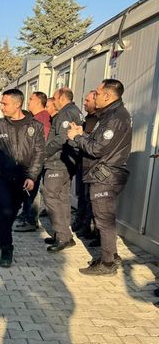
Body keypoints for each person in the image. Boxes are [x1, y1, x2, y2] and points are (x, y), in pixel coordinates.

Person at [67, 79, 132, 275]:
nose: (94, 96)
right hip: (102, 174)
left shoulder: (115, 118)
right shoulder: (109, 115)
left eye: (97, 92)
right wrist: (82, 134)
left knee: (104, 221)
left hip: (105, 176)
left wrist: (77, 137)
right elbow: (96, 141)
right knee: (104, 219)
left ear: (108, 96)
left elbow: (97, 148)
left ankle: (108, 264)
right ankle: (110, 256)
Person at [0, 89, 45, 268]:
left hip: (24, 178)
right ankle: (7, 248)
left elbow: (39, 154)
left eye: (5, 103)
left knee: (13, 210)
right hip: (2, 177)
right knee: (5, 210)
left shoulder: (35, 126)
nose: (1, 106)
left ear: (17, 104)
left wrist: (32, 176)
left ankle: (3, 231)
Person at [43, 87, 83, 252]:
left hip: (58, 162)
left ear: (61, 98)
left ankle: (63, 236)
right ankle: (64, 234)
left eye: (54, 98)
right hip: (66, 162)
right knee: (62, 198)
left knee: (50, 196)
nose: (53, 101)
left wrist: (44, 153)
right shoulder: (75, 110)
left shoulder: (66, 113)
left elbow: (61, 138)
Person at [14, 92, 51, 232]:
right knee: (28, 191)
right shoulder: (34, 118)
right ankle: (26, 215)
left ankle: (31, 220)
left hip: (35, 162)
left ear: (38, 101)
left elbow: (42, 143)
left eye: (31, 99)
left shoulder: (43, 118)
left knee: (33, 192)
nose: (28, 101)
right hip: (28, 162)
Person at [73, 90, 99, 242]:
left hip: (92, 166)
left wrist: (80, 135)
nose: (85, 103)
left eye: (88, 101)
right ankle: (81, 222)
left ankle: (89, 228)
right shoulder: (87, 118)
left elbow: (92, 142)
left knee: (90, 198)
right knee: (81, 195)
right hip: (81, 162)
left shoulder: (99, 120)